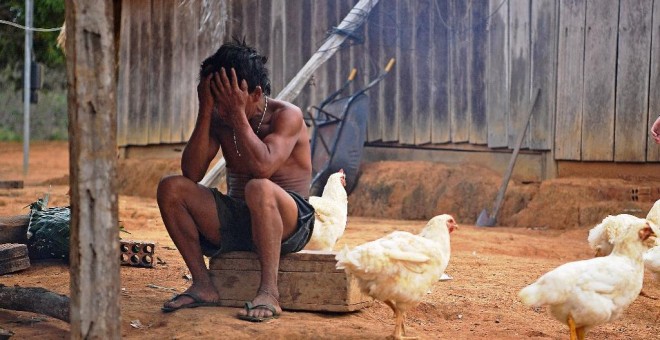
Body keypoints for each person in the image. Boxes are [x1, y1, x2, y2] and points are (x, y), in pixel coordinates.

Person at [157, 39, 315, 322]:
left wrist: (237, 115)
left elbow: (264, 166)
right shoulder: (218, 116)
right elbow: (191, 174)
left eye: (229, 97)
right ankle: (203, 285)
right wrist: (206, 109)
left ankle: (269, 292)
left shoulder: (287, 116)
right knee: (171, 188)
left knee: (258, 187)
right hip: (240, 220)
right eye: (217, 97)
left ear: (255, 93)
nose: (223, 107)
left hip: (289, 223)